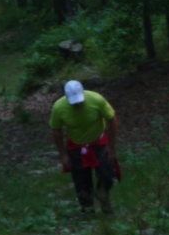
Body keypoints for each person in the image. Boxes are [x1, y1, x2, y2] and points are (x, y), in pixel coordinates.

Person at [50, 80, 118, 214]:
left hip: (99, 141)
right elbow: (56, 129)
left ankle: (103, 196)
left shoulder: (96, 100)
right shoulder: (58, 107)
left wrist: (111, 146)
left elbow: (112, 119)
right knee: (81, 180)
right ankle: (87, 208)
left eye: (80, 101)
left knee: (107, 174)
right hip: (76, 144)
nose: (78, 104)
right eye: (74, 102)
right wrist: (63, 154)